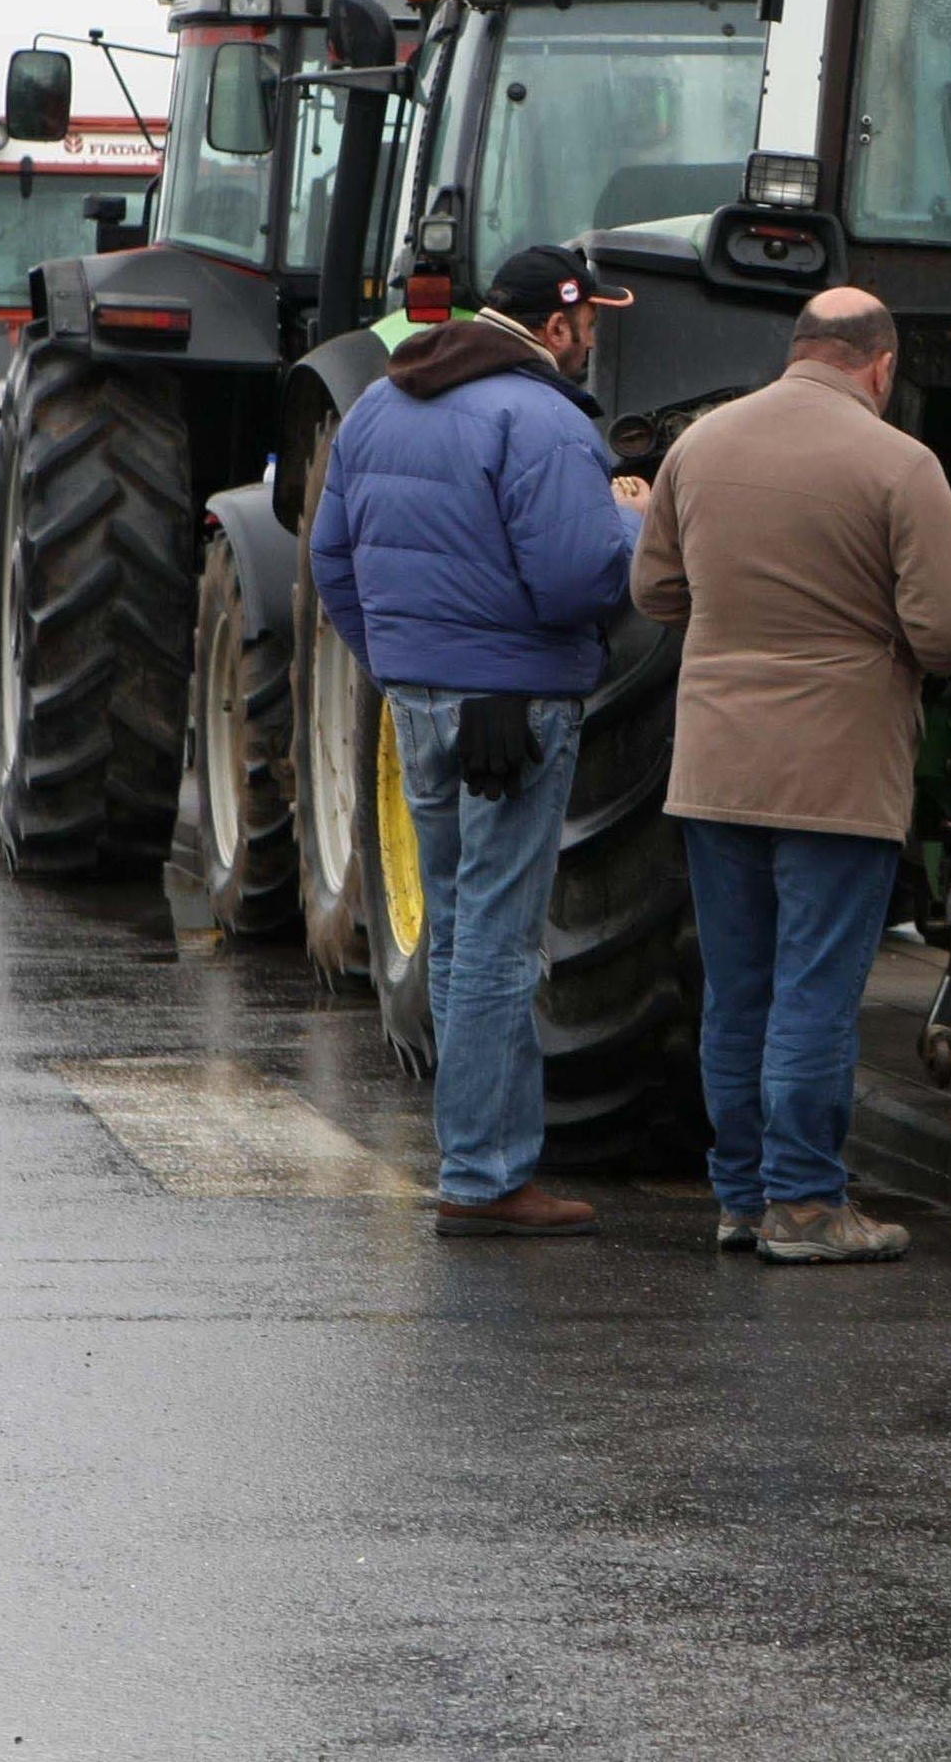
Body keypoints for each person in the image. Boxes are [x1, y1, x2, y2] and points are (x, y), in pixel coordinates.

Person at [633, 288, 951, 1266]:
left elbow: (653, 589)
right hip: (836, 773)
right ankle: (803, 1202)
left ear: (798, 350)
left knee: (736, 987)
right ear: (880, 365)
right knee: (812, 989)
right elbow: (949, 630)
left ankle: (741, 1195)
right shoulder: (898, 461)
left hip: (714, 767)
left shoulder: (699, 447)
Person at [311, 244, 646, 1238]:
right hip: (519, 711)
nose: (591, 343)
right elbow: (577, 578)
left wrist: (406, 664)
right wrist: (631, 521)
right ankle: (484, 1173)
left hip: (416, 700)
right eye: (590, 325)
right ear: (556, 325)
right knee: (499, 938)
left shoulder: (377, 402)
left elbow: (334, 562)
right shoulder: (542, 418)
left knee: (457, 923)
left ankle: (476, 1155)